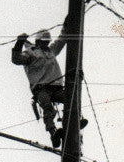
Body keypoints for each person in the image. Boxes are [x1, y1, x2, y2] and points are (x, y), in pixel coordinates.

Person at [12, 19, 86, 149]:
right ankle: (53, 133)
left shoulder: (51, 51)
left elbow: (62, 39)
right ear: (38, 42)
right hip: (41, 89)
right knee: (48, 108)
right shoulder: (30, 53)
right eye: (45, 42)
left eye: (48, 43)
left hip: (56, 87)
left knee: (71, 99)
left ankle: (73, 122)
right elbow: (16, 59)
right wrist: (19, 43)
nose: (47, 45)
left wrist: (67, 22)